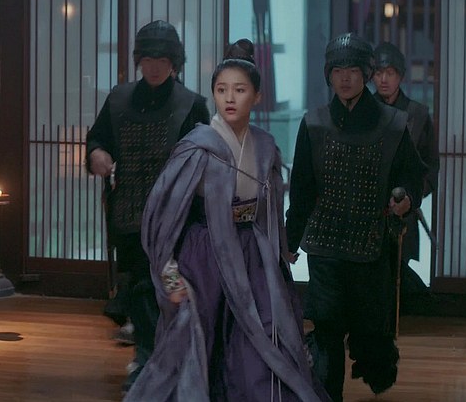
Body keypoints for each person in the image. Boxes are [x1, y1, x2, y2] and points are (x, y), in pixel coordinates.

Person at [125, 43, 328, 401]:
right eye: (221, 90)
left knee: (261, 343)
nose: (229, 98)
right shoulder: (197, 147)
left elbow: (271, 211)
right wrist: (170, 277)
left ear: (257, 96)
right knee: (200, 342)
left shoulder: (265, 146)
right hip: (204, 257)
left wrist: (279, 256)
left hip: (252, 255)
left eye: (240, 90)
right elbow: (163, 220)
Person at [286, 33, 425, 402]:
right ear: (328, 75)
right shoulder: (314, 123)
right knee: (326, 329)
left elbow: (413, 175)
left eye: (352, 70)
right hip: (325, 242)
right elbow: (301, 189)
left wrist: (405, 198)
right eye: (337, 70)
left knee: (370, 334)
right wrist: (289, 240)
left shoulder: (393, 124)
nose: (345, 77)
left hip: (370, 243)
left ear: (366, 73)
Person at [86, 20, 210, 392]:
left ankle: (170, 361)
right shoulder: (119, 99)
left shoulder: (192, 104)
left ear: (175, 63)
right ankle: (146, 360)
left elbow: (204, 162)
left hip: (176, 219)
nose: (155, 67)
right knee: (139, 289)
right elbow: (97, 138)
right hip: (129, 215)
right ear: (139, 60)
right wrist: (97, 153)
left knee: (172, 289)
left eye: (163, 60)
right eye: (148, 59)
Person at [372, 41, 440, 303]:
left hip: (403, 205)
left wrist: (412, 197)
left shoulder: (418, 114)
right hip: (368, 206)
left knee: (398, 274)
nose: (384, 79)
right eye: (379, 72)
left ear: (400, 76)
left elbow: (430, 165)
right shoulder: (363, 111)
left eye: (390, 73)